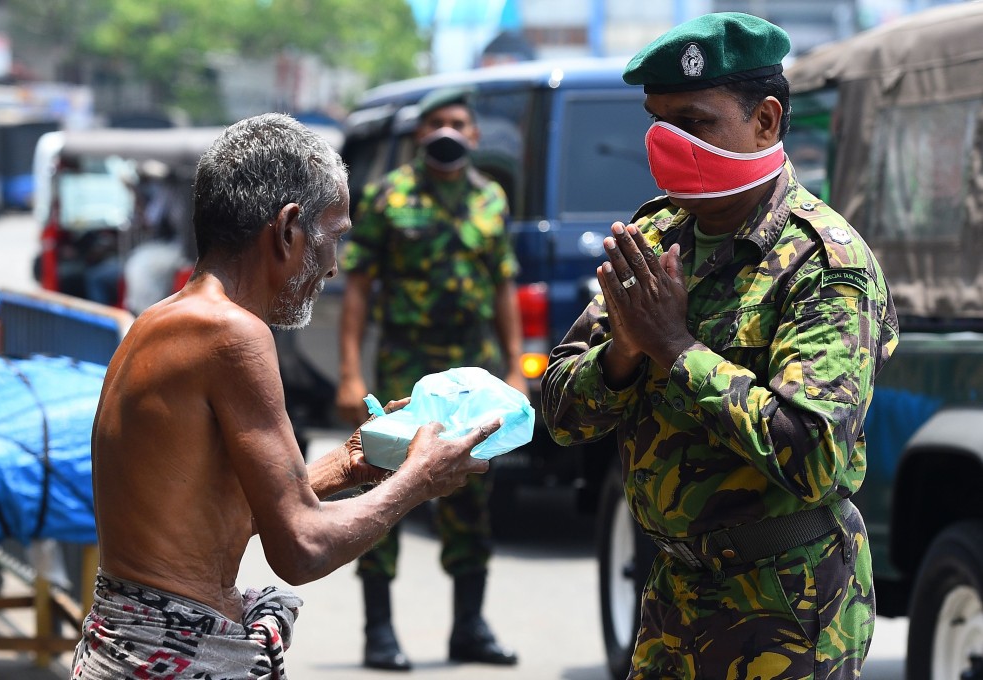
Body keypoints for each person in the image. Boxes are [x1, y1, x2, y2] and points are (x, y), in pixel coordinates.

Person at [71, 113, 500, 680]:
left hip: (129, 643)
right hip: (167, 654)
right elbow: (300, 547)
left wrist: (348, 464)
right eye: (335, 235)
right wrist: (417, 479)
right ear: (288, 228)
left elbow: (216, 512)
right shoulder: (231, 333)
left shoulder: (162, 320)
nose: (333, 266)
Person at [541, 13, 899, 680]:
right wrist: (622, 352)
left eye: (694, 121)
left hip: (789, 600)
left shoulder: (823, 265)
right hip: (674, 591)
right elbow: (562, 414)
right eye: (657, 122)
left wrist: (675, 349)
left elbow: (814, 453)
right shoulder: (655, 237)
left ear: (764, 121)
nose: (668, 143)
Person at [336, 87, 524, 670]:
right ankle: (379, 632)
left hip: (472, 375)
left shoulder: (491, 199)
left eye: (459, 123)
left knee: (472, 494)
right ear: (420, 134)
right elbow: (359, 289)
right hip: (406, 371)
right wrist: (349, 373)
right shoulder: (387, 197)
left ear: (474, 135)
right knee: (384, 489)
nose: (448, 131)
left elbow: (502, 286)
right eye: (437, 122)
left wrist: (517, 365)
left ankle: (468, 627)